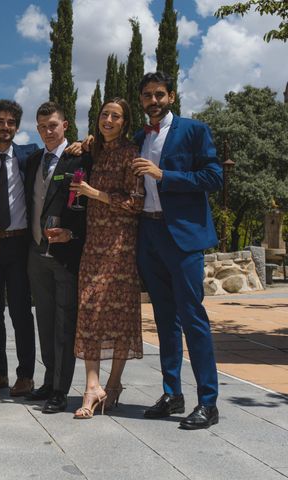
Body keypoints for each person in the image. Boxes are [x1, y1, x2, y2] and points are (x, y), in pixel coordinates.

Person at [133, 72, 223, 430]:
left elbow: (213, 177)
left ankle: (208, 402)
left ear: (171, 96)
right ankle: (172, 393)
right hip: (149, 233)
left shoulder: (194, 130)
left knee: (192, 318)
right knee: (164, 320)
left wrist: (164, 175)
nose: (153, 101)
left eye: (159, 95)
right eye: (147, 96)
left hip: (183, 237)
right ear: (140, 100)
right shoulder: (139, 137)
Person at [69, 98, 144, 419]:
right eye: (104, 115)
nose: (108, 120)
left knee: (118, 314)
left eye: (115, 116)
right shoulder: (94, 149)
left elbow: (136, 202)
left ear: (125, 123)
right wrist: (80, 145)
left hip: (120, 244)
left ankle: (111, 385)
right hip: (93, 242)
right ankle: (92, 385)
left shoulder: (132, 153)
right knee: (89, 308)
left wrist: (95, 193)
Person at [25, 101, 89, 414]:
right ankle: (49, 380)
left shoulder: (79, 156)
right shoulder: (34, 159)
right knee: (45, 321)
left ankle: (61, 391)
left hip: (66, 253)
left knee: (65, 323)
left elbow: (86, 205)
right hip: (37, 252)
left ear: (65, 125)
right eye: (42, 127)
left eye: (53, 125)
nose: (48, 132)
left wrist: (72, 234)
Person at [0, 99, 38, 397]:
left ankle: (26, 375)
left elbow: (62, 151)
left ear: (17, 127)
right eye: (0, 121)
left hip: (19, 243)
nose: (5, 127)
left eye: (11, 123)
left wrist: (82, 144)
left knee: (20, 312)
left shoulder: (30, 156)